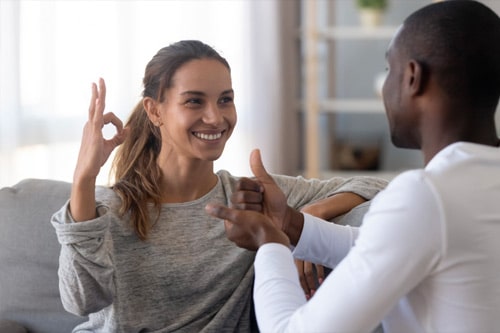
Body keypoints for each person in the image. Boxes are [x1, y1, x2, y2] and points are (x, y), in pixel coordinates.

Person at [50, 40, 387, 332]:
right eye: (194, 101)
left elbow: (375, 186)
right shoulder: (112, 207)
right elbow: (81, 300)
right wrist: (84, 179)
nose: (215, 117)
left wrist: (302, 221)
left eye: (225, 100)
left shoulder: (248, 199)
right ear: (155, 111)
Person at [205, 1, 500, 332]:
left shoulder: (427, 195)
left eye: (390, 70)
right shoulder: (476, 184)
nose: (384, 89)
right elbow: (383, 244)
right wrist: (288, 222)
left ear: (413, 77)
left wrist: (269, 241)